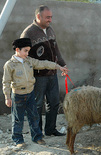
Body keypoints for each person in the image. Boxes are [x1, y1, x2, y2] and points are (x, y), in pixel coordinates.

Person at [2, 38, 68, 148]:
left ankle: (37, 137)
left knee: (34, 117)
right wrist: (7, 97)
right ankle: (18, 140)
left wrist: (59, 67)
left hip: (30, 94)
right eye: (26, 51)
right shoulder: (10, 65)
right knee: (18, 119)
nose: (28, 53)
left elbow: (43, 64)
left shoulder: (29, 61)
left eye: (28, 51)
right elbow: (6, 82)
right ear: (17, 50)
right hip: (18, 95)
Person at [20, 5, 67, 136]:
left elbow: (56, 50)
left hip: (53, 74)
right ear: (38, 17)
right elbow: (23, 57)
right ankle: (37, 132)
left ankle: (50, 130)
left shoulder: (50, 30)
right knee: (37, 105)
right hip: (38, 76)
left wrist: (62, 64)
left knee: (54, 103)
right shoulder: (28, 33)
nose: (50, 20)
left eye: (51, 17)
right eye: (47, 17)